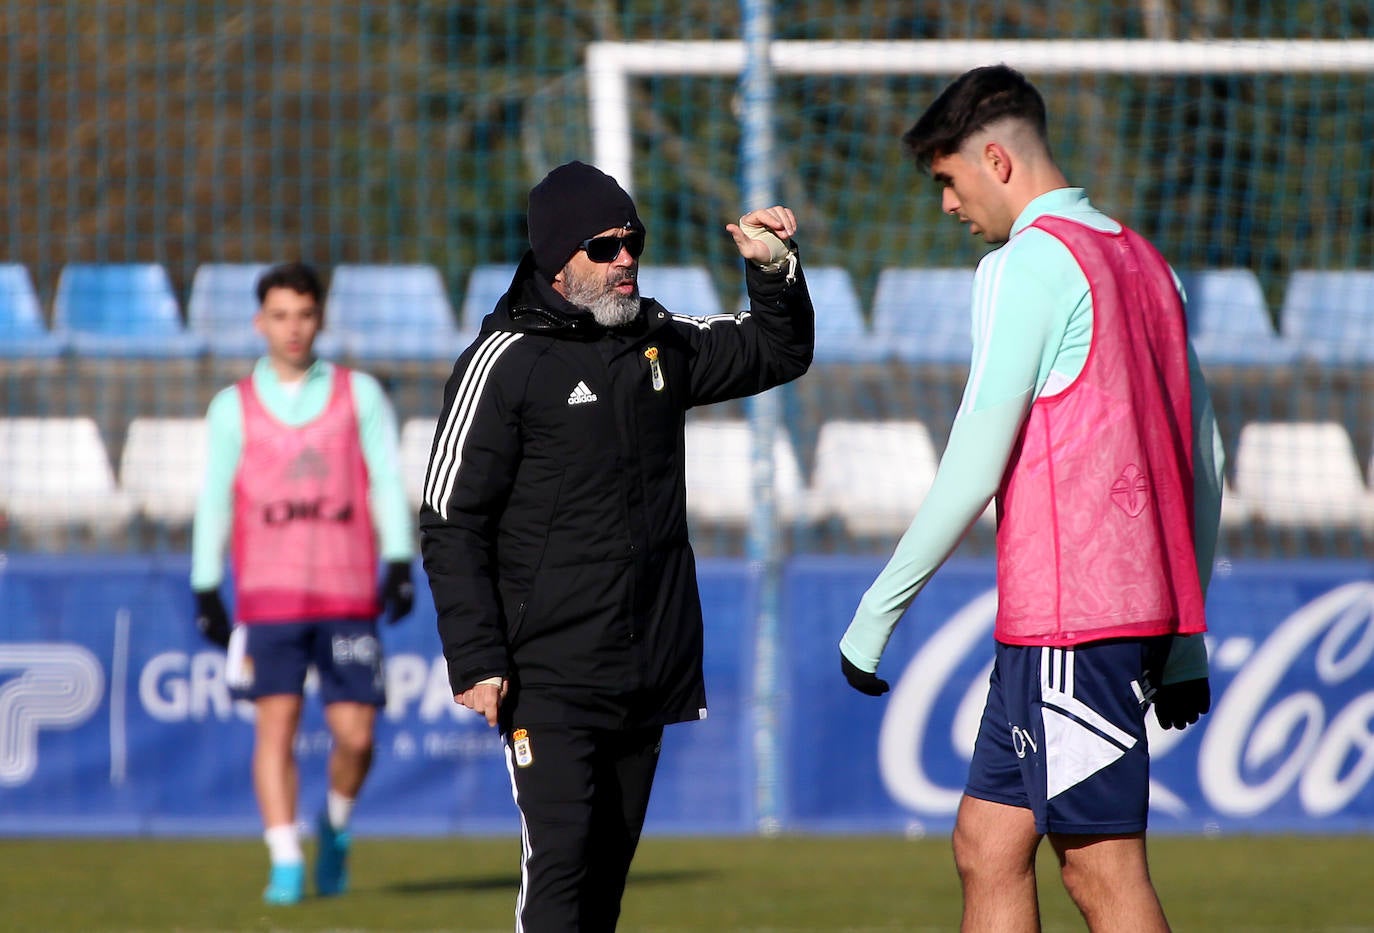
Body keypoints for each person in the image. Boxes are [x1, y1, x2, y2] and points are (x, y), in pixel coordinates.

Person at [838, 66, 1224, 932]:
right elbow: (1206, 455)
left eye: (948, 179)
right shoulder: (1145, 258)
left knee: (1102, 873)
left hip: (1071, 623)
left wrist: (877, 610)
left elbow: (975, 461)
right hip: (1092, 623)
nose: (946, 205)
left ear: (997, 160)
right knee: (987, 842)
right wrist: (1185, 635)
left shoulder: (1024, 263)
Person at [419, 160, 814, 931]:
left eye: (633, 240)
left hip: (645, 667)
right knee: (561, 873)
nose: (625, 257)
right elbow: (448, 517)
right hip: (548, 672)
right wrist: (476, 656)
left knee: (602, 889)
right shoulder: (502, 363)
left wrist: (774, 271)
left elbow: (778, 351)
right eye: (604, 247)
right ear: (557, 260)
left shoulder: (657, 341)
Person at [190, 260, 417, 906]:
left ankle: (335, 826)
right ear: (261, 321)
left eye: (305, 314)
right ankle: (285, 857)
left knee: (357, 735)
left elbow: (385, 479)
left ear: (320, 318)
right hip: (269, 594)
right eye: (281, 315)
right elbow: (215, 497)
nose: (293, 328)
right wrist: (207, 584)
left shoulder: (360, 395)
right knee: (276, 728)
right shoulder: (232, 407)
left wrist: (398, 560)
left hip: (347, 592)